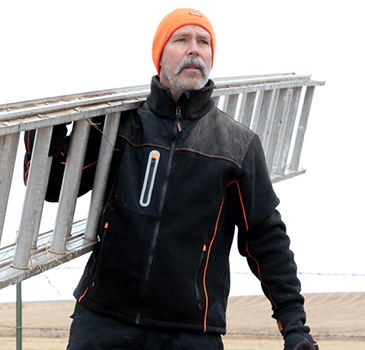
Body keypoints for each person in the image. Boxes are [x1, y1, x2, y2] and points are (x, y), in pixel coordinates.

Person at [24, 8, 317, 350]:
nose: (195, 49)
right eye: (182, 39)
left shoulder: (236, 145)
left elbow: (266, 238)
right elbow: (52, 187)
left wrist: (294, 325)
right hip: (103, 322)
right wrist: (48, 129)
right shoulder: (118, 126)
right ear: (159, 56)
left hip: (190, 334)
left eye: (203, 41)